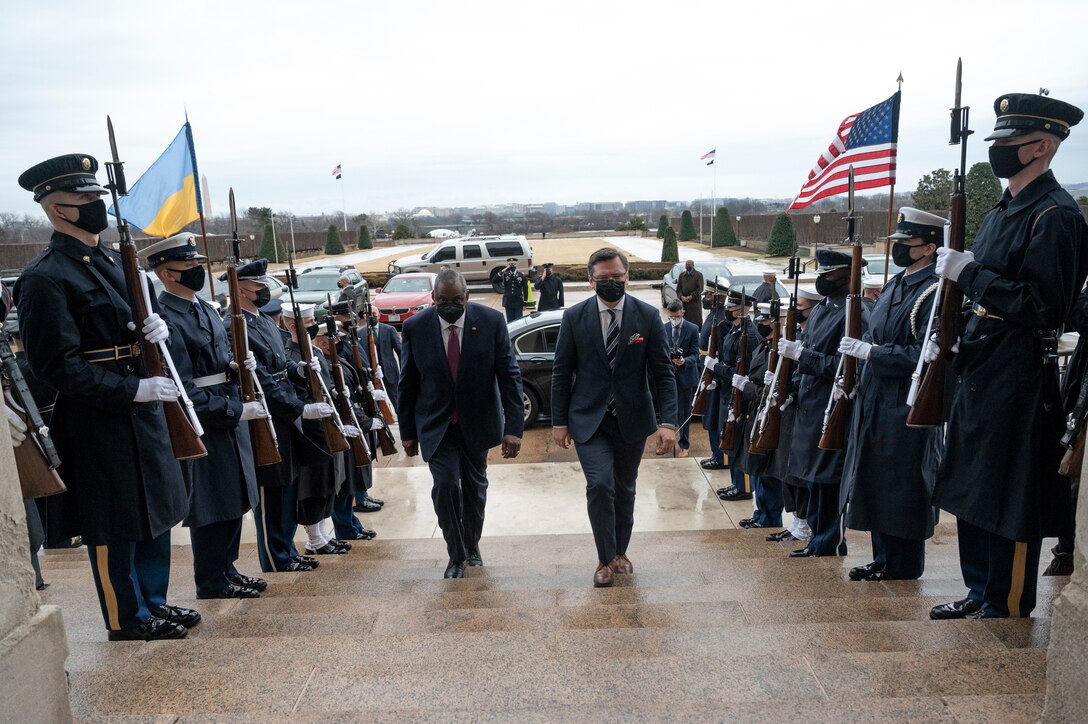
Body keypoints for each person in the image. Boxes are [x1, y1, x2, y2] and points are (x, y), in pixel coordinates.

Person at [14, 154, 193, 641]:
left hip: (144, 409)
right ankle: (126, 616)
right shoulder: (46, 277)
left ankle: (154, 601)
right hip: (100, 419)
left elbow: (130, 324)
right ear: (58, 211)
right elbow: (58, 367)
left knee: (153, 512)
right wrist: (131, 389)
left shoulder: (115, 260)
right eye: (85, 200)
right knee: (115, 523)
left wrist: (157, 328)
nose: (98, 205)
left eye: (98, 197)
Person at [929, 92, 1088, 620]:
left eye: (1008, 143)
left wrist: (969, 274)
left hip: (1020, 371)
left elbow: (1046, 307)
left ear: (1042, 146)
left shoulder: (1055, 215)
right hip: (982, 360)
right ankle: (979, 590)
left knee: (1011, 492)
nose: (997, 151)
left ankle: (1008, 598)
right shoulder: (1003, 210)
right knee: (975, 486)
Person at [146, 233, 265, 599]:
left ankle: (227, 568)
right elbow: (182, 386)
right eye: (191, 266)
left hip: (227, 406)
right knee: (212, 503)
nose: (199, 271)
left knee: (235, 495)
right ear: (167, 274)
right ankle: (211, 579)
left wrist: (238, 365)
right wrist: (233, 410)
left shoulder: (205, 308)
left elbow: (220, 354)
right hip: (207, 419)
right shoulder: (167, 316)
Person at [551, 248, 678, 587]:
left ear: (627, 277)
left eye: (617, 278)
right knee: (600, 485)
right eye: (603, 279)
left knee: (625, 488)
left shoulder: (647, 317)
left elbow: (663, 374)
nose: (611, 283)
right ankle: (604, 559)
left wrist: (668, 423)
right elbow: (562, 373)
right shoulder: (574, 317)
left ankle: (621, 551)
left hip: (632, 420)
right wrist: (558, 422)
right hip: (589, 420)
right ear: (591, 280)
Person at [839, 208, 944, 581]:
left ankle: (903, 563)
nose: (898, 249)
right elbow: (875, 332)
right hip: (876, 396)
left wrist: (873, 354)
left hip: (905, 402)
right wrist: (863, 349)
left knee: (902, 484)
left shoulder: (935, 291)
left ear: (930, 248)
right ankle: (883, 558)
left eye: (907, 243)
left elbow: (926, 355)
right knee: (876, 480)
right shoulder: (897, 284)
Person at [398, 269, 524, 578]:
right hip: (436, 425)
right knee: (445, 486)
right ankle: (455, 555)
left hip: (478, 423)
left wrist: (514, 428)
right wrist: (407, 433)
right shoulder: (415, 327)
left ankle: (471, 545)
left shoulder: (492, 322)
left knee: (474, 489)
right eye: (443, 299)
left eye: (457, 299)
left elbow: (509, 376)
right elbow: (407, 383)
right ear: (433, 298)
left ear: (467, 297)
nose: (450, 304)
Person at [226, 259, 321, 573]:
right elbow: (261, 379)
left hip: (283, 412)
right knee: (271, 490)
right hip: (269, 414)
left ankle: (287, 550)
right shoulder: (234, 325)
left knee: (288, 486)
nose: (263, 289)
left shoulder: (263, 320)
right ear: (239, 290)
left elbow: (280, 365)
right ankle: (275, 556)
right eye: (257, 285)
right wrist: (298, 407)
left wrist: (299, 369)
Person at [778, 249, 868, 558]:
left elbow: (847, 368)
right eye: (821, 273)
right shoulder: (821, 309)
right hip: (810, 403)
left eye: (828, 275)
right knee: (813, 478)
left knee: (827, 479)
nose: (822, 279)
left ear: (846, 275)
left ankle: (827, 539)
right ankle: (818, 537)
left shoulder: (853, 312)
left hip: (831, 405)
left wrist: (803, 356)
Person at [282, 302, 357, 557]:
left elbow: (324, 384)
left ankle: (323, 534)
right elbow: (290, 393)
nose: (314, 326)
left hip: (326, 426)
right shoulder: (290, 356)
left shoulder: (314, 352)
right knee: (312, 486)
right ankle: (314, 538)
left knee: (328, 482)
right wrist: (307, 409)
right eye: (310, 322)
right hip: (308, 430)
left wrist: (338, 394)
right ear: (294, 326)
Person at [765, 285, 823, 544]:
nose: (796, 314)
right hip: (793, 407)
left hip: (808, 408)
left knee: (800, 476)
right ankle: (798, 522)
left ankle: (806, 525)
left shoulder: (811, 333)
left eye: (799, 308)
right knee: (789, 472)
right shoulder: (800, 332)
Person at [335, 303, 399, 513]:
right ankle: (358, 499)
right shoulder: (341, 344)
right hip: (357, 402)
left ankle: (362, 494)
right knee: (359, 454)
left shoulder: (352, 339)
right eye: (347, 318)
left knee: (367, 450)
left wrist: (373, 376)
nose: (352, 321)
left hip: (366, 398)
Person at [732, 302, 785, 529]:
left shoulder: (781, 351)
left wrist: (748, 389)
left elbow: (778, 389)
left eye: (764, 321)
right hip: (755, 414)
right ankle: (760, 513)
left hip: (770, 417)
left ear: (778, 322)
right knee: (756, 468)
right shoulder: (763, 347)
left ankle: (769, 518)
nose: (760, 325)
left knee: (768, 472)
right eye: (760, 321)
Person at [706, 290, 760, 502]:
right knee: (728, 437)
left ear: (742, 309)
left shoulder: (750, 335)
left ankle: (744, 487)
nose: (727, 310)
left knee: (738, 442)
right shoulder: (735, 331)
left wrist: (717, 368)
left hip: (740, 395)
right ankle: (736, 482)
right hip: (728, 391)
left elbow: (742, 371)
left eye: (731, 308)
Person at [664, 299, 699, 457]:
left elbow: (696, 354)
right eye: (672, 317)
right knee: (668, 411)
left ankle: (684, 445)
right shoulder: (663, 329)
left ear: (683, 312)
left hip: (685, 375)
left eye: (677, 316)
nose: (675, 320)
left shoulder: (692, 329)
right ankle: (666, 442)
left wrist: (685, 360)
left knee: (684, 412)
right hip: (669, 377)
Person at [699, 284, 729, 470]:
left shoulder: (722, 318)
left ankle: (720, 457)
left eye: (709, 296)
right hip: (707, 369)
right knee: (709, 416)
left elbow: (724, 351)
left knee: (715, 417)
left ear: (719, 297)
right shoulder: (713, 314)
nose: (706, 299)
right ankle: (715, 454)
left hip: (715, 373)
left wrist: (716, 375)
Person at [676, 259, 705, 326]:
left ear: (693, 265)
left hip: (694, 303)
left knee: (696, 321)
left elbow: (700, 289)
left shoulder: (698, 275)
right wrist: (681, 296)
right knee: (684, 321)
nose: (687, 266)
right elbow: (678, 288)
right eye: (686, 264)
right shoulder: (682, 275)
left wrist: (691, 297)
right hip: (684, 303)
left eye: (689, 264)